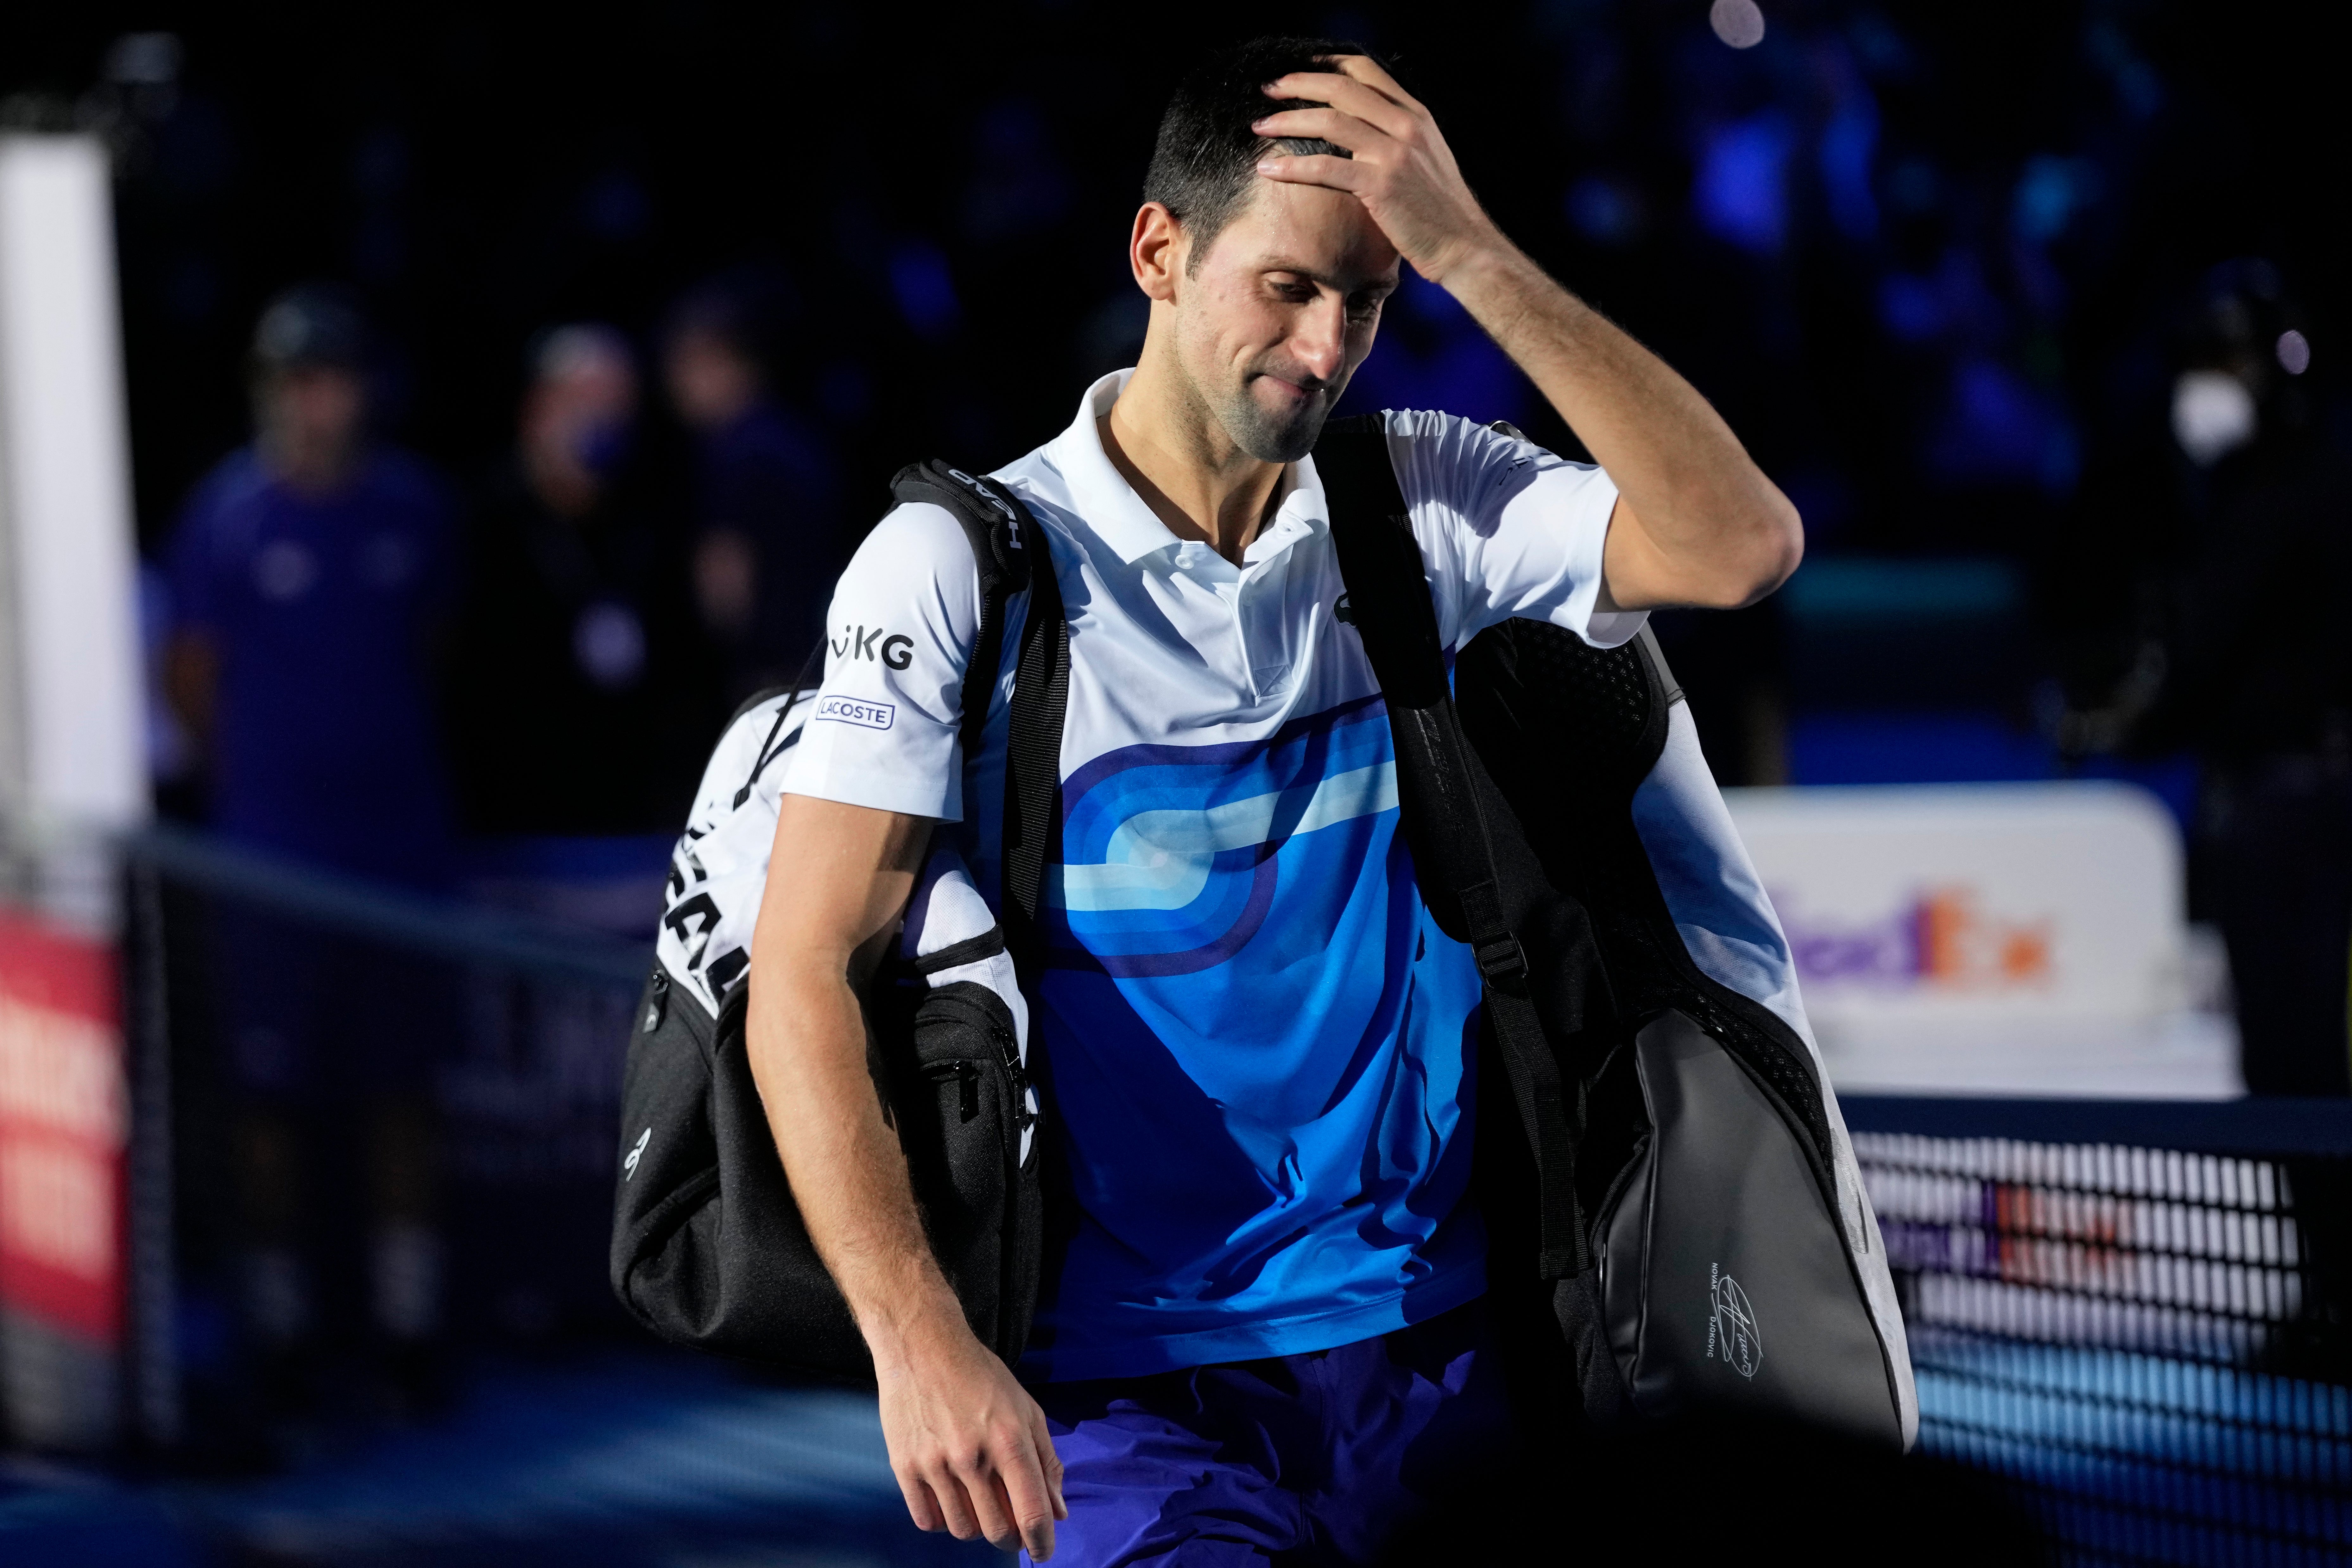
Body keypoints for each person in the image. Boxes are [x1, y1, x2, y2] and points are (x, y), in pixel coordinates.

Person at [755, 40, 1802, 1565]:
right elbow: (802, 968)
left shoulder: (1421, 502)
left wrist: (1473, 255)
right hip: (1120, 1380)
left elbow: (1738, 545)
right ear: (1157, 252)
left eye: (1369, 301)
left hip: (1438, 1347)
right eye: (1289, 288)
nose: (1326, 348)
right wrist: (917, 1340)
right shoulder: (961, 566)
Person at [164, 284, 455, 884]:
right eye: (292, 383)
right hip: (272, 834)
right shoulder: (224, 516)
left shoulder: (413, 507)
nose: (309, 403)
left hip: (397, 825)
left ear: (361, 390)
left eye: (327, 381)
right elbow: (189, 669)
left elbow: (442, 642)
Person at [448, 324, 711, 838]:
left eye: (619, 407)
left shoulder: (649, 524)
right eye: (586, 401)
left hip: (629, 831)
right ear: (539, 408)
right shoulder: (479, 520)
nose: (604, 422)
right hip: (508, 833)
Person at [663, 274, 848, 699]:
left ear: (716, 358)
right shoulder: (802, 438)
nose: (671, 384)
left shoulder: (730, 452)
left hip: (770, 681)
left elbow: (726, 585)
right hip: (833, 660)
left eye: (680, 364)